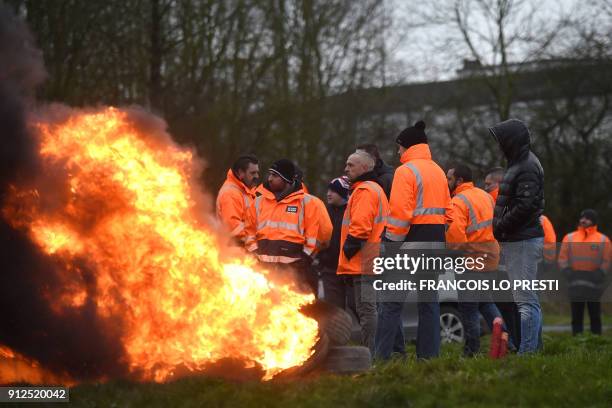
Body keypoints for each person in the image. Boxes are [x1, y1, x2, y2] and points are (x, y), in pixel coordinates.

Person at [376, 120, 450, 360]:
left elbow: (400, 214)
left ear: (407, 147)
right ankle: (428, 358)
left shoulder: (405, 171)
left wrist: (391, 244)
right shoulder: (438, 170)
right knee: (429, 304)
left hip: (410, 244)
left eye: (399, 147)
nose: (397, 152)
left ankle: (382, 358)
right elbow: (448, 211)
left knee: (391, 303)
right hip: (436, 243)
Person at [489, 118, 545, 354]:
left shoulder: (526, 165)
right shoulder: (519, 162)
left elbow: (525, 205)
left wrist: (501, 226)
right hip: (518, 239)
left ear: (510, 141)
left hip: (522, 239)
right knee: (526, 298)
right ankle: (533, 348)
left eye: (501, 140)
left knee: (525, 300)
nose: (498, 145)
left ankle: (528, 352)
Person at [446, 164, 505, 356]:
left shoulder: (457, 201)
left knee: (468, 307)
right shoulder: (485, 196)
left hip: (471, 260)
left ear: (459, 180)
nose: (447, 182)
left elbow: (456, 237)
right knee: (486, 302)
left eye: (449, 178)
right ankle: (505, 340)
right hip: (491, 258)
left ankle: (471, 351)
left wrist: (449, 253)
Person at [337, 151, 389, 354]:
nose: (346, 169)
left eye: (351, 165)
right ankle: (382, 352)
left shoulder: (365, 191)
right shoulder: (370, 189)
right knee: (369, 309)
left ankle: (371, 355)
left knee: (367, 310)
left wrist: (348, 250)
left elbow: (360, 227)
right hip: (369, 260)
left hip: (365, 262)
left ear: (365, 168)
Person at [244, 159, 321, 292]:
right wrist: (254, 253)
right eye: (270, 174)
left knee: (292, 310)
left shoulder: (307, 203)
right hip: (263, 273)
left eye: (275, 176)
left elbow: (313, 237)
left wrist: (305, 259)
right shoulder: (258, 202)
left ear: (286, 180)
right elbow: (249, 232)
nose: (270, 179)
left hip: (294, 274)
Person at [558, 209, 611, 335]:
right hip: (575, 281)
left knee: (595, 314)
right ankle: (577, 338)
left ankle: (596, 338)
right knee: (576, 314)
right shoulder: (569, 237)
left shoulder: (603, 240)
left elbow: (607, 259)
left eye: (587, 218)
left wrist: (601, 273)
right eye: (582, 217)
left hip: (594, 282)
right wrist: (566, 271)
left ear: (593, 221)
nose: (583, 220)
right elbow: (562, 258)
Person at [319, 176, 350, 308]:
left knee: (358, 308)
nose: (328, 194)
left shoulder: (352, 211)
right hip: (330, 270)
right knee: (334, 311)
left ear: (342, 193)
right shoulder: (324, 211)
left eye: (333, 191)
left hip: (350, 270)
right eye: (328, 190)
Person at [216, 155, 259, 245]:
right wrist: (254, 248)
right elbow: (233, 227)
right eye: (252, 173)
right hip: (235, 252)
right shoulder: (231, 194)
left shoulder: (245, 191)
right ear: (240, 173)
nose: (257, 176)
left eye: (257, 173)